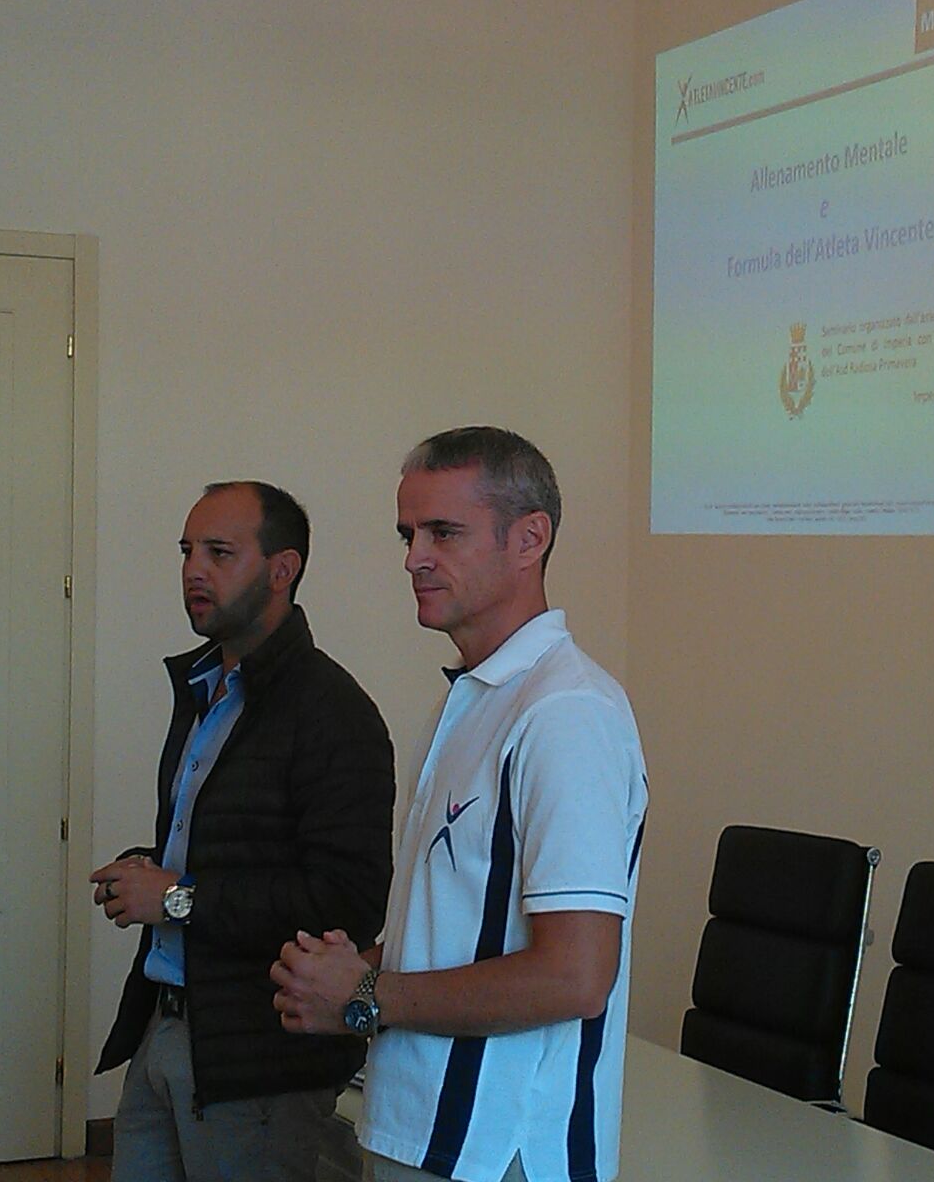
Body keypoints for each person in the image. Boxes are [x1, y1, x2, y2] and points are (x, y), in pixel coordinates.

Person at [272, 428, 648, 1182]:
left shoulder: (566, 713)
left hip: (498, 1151)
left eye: (443, 532)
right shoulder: (477, 698)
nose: (414, 557)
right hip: (423, 1132)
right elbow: (461, 930)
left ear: (529, 539)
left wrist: (366, 992)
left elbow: (574, 977)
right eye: (408, 534)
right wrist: (346, 973)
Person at [91, 480, 395, 1181]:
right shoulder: (208, 691)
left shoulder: (333, 712)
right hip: (167, 1027)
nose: (194, 570)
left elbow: (347, 903)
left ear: (282, 569)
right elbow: (235, 849)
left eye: (219, 552)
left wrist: (175, 897)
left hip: (260, 1063)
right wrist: (151, 870)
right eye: (187, 551)